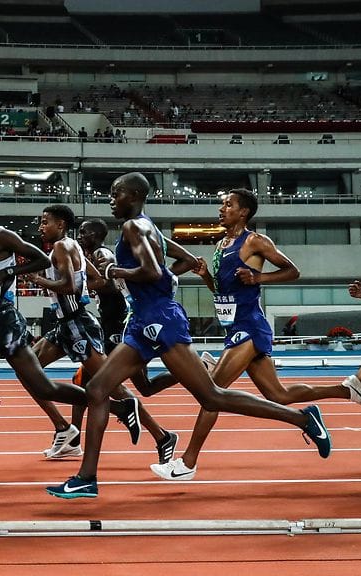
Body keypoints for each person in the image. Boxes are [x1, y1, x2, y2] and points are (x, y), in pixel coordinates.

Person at [47, 173, 331, 499]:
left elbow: (153, 271)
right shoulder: (147, 227)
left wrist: (116, 273)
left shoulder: (134, 227)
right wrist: (159, 280)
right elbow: (176, 266)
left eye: (116, 193)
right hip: (143, 319)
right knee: (97, 388)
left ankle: (301, 418)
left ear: (135, 195)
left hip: (160, 319)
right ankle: (86, 478)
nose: (111, 199)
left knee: (211, 396)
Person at [0, 192, 141, 488]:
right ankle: (120, 407)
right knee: (43, 387)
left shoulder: (0, 235)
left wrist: (8, 273)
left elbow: (38, 258)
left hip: (3, 323)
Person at [149, 188, 361, 481]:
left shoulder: (254, 241)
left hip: (250, 327)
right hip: (234, 326)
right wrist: (206, 277)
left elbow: (293, 271)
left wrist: (258, 277)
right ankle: (344, 390)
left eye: (228, 205)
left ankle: (187, 463)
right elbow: (223, 292)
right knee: (279, 394)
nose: (221, 209)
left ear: (244, 212)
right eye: (221, 205)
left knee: (211, 392)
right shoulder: (222, 243)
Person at [28, 206, 177, 464]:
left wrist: (40, 281)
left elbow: (68, 285)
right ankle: (65, 430)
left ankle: (161, 435)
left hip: (77, 324)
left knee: (112, 386)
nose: (41, 227)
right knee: (29, 370)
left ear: (61, 224)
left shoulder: (62, 248)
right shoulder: (72, 245)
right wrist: (81, 289)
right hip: (68, 323)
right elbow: (96, 279)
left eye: (45, 222)